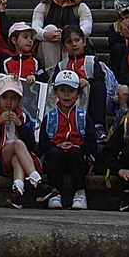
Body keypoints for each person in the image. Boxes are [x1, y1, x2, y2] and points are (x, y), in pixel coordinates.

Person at [0, 74, 43, 209]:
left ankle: (17, 191)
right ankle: (38, 181)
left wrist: (20, 125)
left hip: (19, 158)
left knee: (17, 158)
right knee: (17, 144)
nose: (8, 102)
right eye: (4, 97)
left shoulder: (23, 116)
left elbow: (30, 144)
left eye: (13, 98)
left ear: (19, 100)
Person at [40, 70, 93, 209]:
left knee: (75, 154)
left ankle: (79, 193)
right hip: (55, 157)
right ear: (56, 92)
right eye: (62, 90)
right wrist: (55, 147)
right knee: (54, 154)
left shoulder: (83, 117)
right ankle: (54, 193)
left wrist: (79, 148)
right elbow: (43, 142)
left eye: (71, 90)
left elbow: (91, 142)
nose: (66, 94)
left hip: (77, 157)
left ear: (78, 94)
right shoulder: (50, 117)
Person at [32, 0, 93, 68]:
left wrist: (66, 35)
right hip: (49, 48)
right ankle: (52, 74)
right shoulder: (43, 6)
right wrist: (45, 34)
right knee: (49, 28)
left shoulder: (81, 7)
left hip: (72, 47)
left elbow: (87, 27)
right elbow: (34, 28)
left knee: (71, 32)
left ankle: (69, 69)